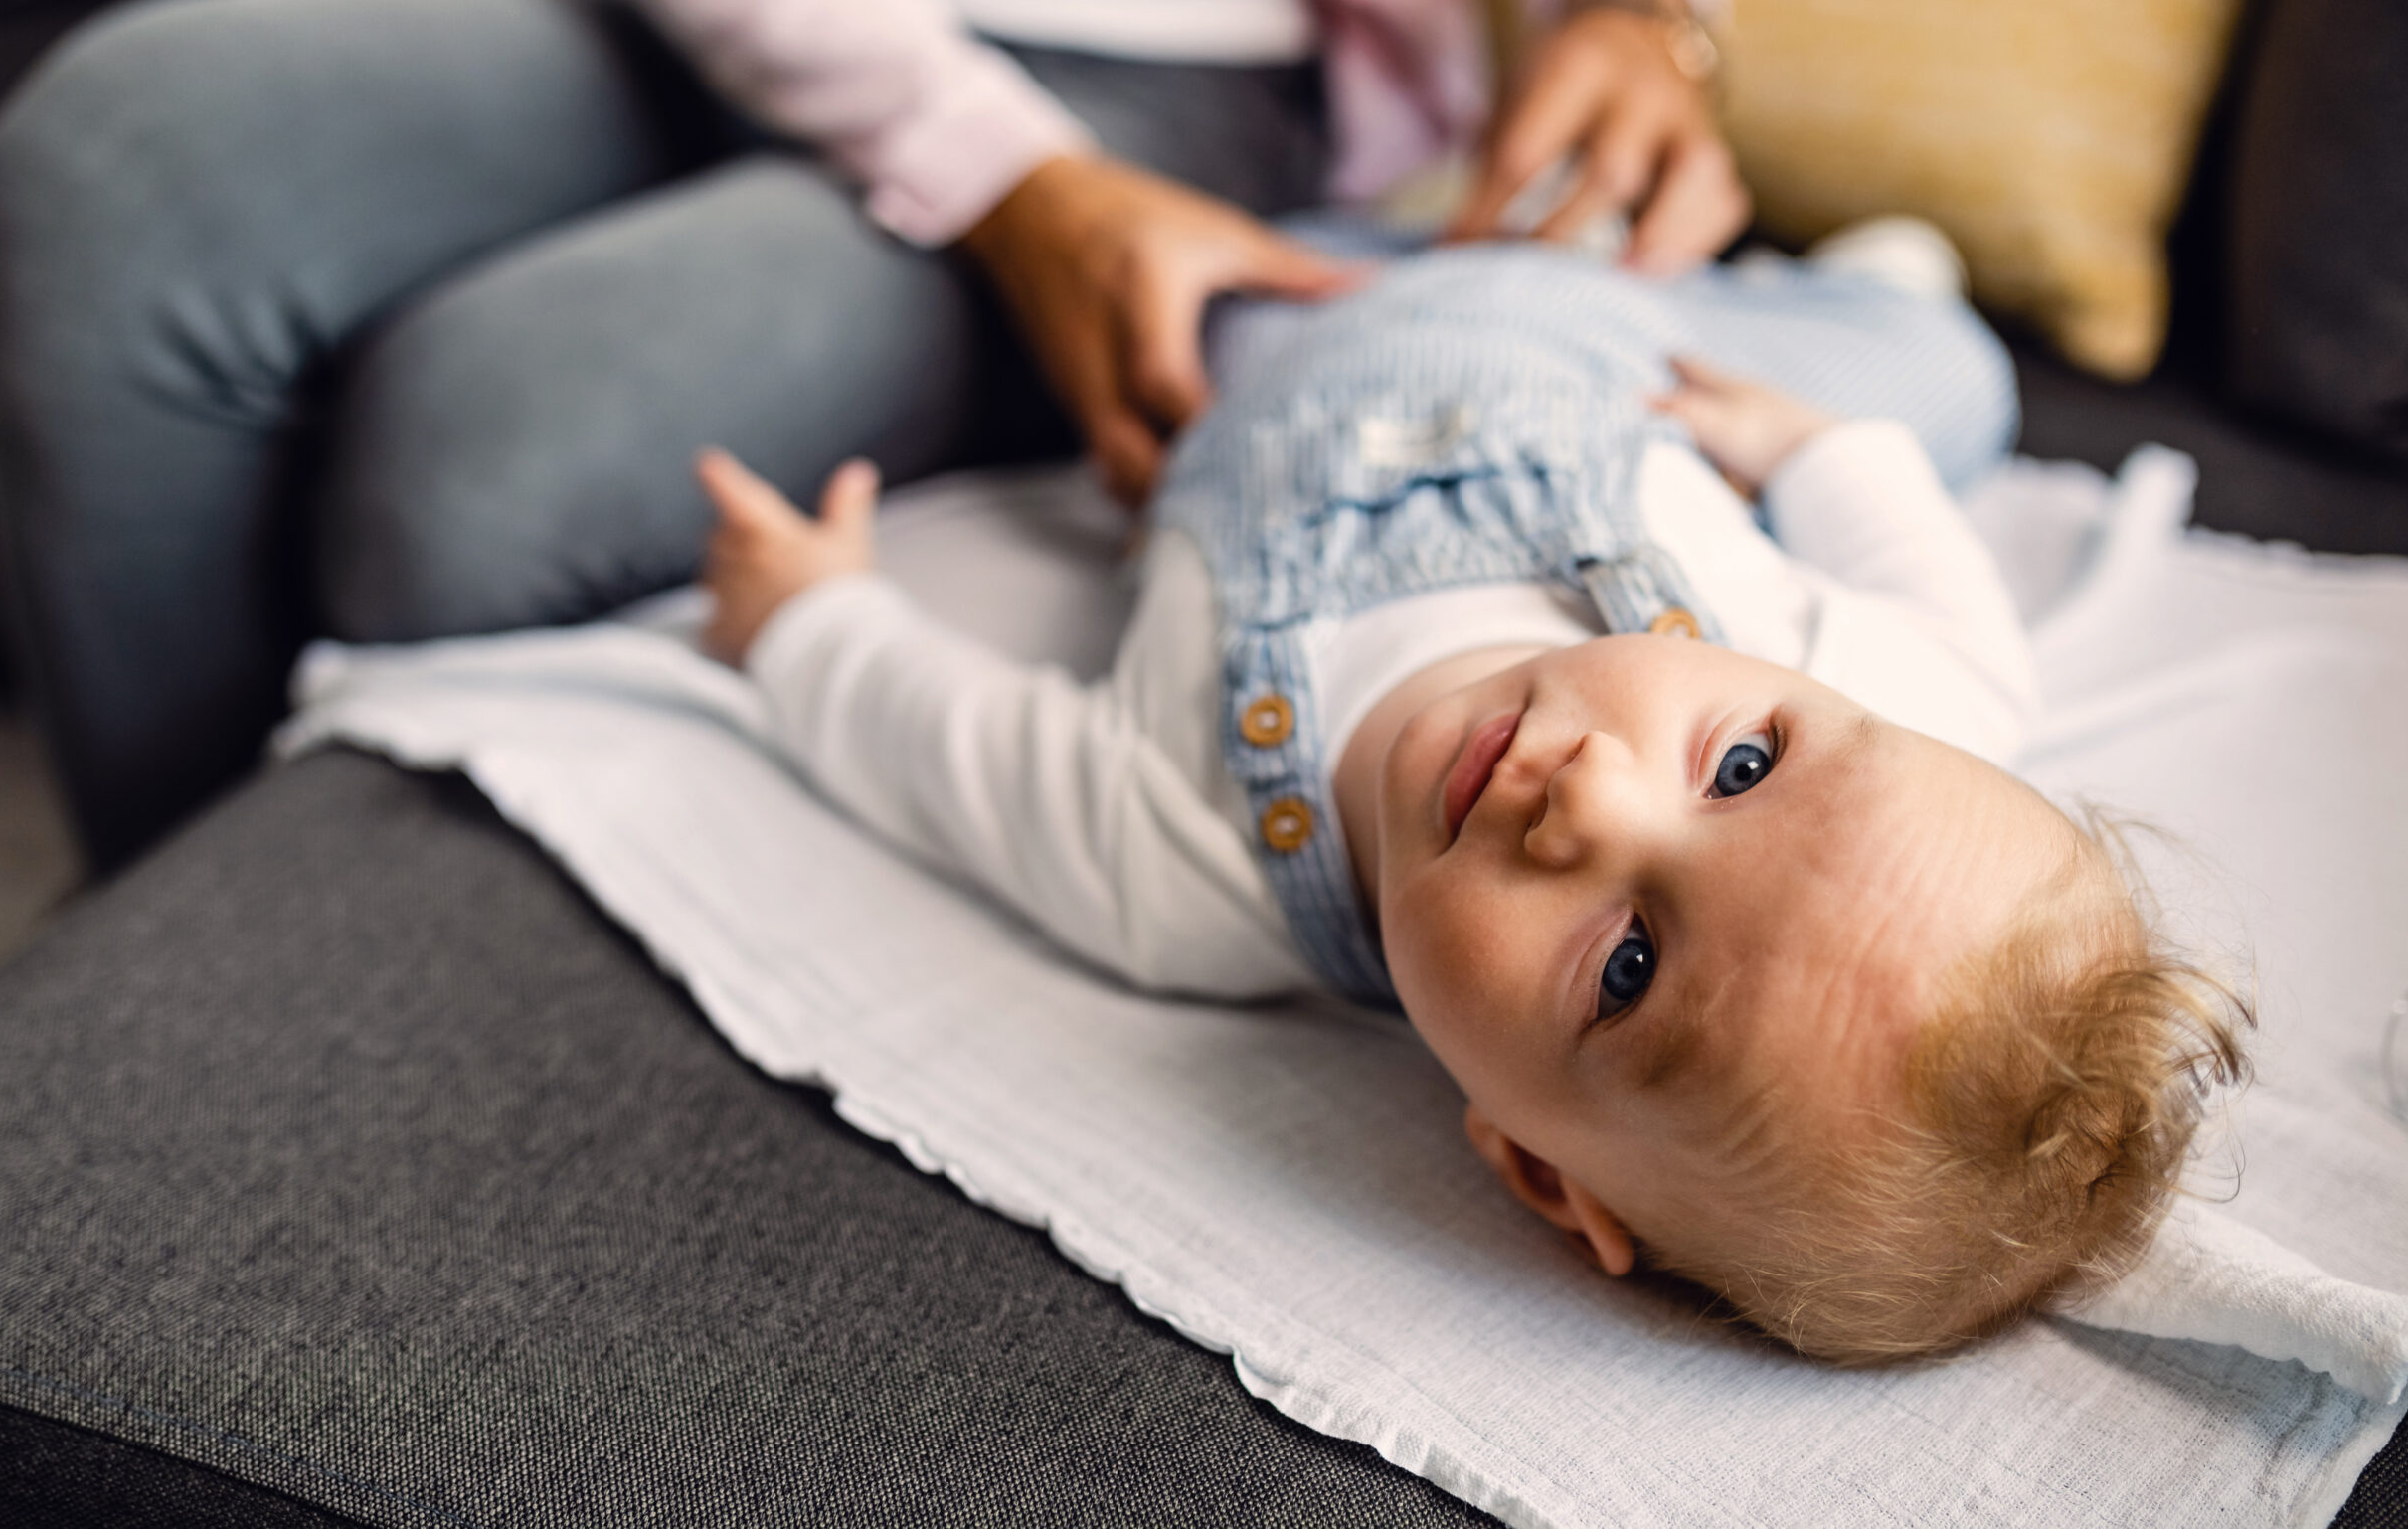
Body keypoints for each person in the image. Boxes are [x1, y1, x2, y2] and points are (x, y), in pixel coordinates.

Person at [0, 0, 1749, 873]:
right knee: (113, 156)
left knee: (483, 456)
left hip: (1157, 55)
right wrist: (987, 174)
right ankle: (156, 943)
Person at [688, 224, 2251, 1361]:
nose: (1590, 798)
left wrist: (807, 619)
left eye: (1630, 965)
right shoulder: (1905, 698)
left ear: (1528, 1161)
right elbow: (1944, 603)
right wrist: (1814, 448)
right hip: (1628, 336)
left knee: (1186, 315)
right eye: (1743, 763)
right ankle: (1866, 284)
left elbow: (941, 743)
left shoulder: (1191, 867)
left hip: (1306, 315)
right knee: (1942, 381)